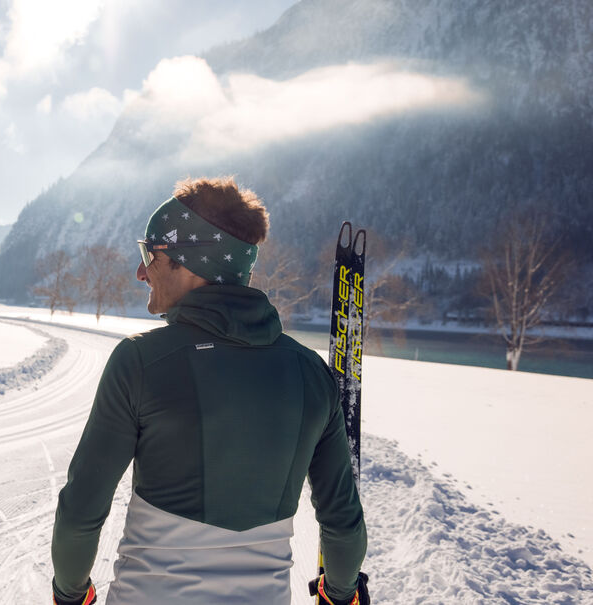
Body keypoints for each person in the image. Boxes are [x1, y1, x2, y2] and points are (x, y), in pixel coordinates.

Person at [50, 177, 368, 605]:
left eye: (149, 254)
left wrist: (71, 594)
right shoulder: (311, 373)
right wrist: (341, 594)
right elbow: (343, 521)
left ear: (191, 262)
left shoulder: (140, 361)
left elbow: (81, 510)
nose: (141, 272)